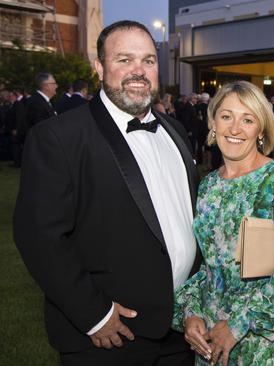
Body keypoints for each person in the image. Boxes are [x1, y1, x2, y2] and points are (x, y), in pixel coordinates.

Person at [13, 20, 200, 365]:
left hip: (180, 333)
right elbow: (40, 236)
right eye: (124, 60)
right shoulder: (59, 137)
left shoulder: (175, 131)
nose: (138, 71)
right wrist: (94, 315)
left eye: (147, 60)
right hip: (110, 337)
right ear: (99, 67)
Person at [173, 80, 274, 365]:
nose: (235, 129)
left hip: (266, 348)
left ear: (261, 130)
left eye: (247, 119)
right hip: (212, 348)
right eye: (226, 116)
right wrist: (191, 313)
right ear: (213, 122)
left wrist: (237, 325)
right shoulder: (208, 186)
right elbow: (210, 270)